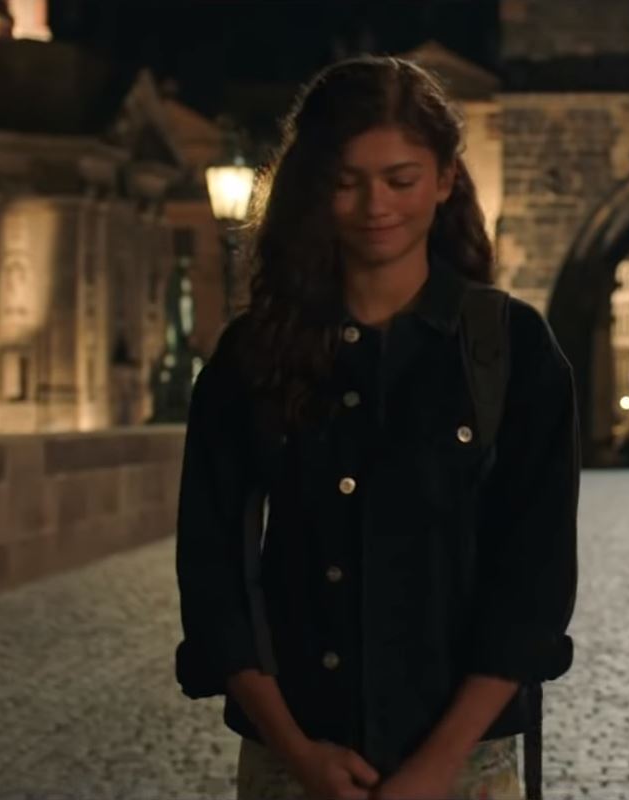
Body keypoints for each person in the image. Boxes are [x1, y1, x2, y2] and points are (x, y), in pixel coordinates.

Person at [174, 57, 578, 800]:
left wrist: (435, 767)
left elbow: (534, 580)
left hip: (463, 764)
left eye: (401, 179)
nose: (375, 206)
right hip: (294, 756)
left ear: (445, 179)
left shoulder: (512, 349)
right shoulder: (252, 355)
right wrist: (298, 752)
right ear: (313, 186)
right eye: (346, 180)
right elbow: (214, 573)